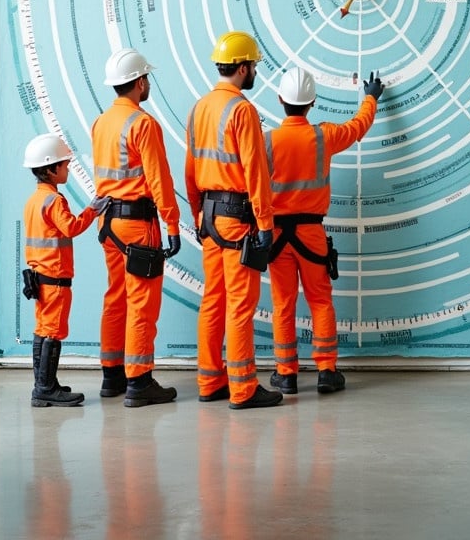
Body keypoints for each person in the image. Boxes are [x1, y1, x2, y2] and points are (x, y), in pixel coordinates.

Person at [265, 66, 384, 395]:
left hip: (275, 238)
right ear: (312, 101)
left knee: (282, 304)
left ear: (280, 99)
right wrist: (370, 98)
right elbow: (358, 128)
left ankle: (285, 374)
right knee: (320, 301)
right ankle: (327, 371)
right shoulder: (324, 136)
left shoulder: (266, 142)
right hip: (311, 236)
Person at [185, 31, 282, 410]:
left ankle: (210, 382)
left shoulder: (199, 108)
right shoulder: (242, 110)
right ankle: (242, 388)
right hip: (238, 217)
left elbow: (190, 167)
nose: (254, 71)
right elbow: (256, 171)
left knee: (213, 301)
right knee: (241, 304)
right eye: (254, 66)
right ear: (243, 68)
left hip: (209, 217)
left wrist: (197, 212)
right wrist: (265, 222)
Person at [92, 47, 181, 408]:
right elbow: (159, 179)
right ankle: (140, 381)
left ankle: (111, 375)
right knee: (141, 304)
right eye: (148, 79)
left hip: (108, 225)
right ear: (140, 81)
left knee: (115, 298)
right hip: (137, 225)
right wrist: (172, 224)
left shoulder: (101, 122)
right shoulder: (143, 124)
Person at [22, 132, 99, 407]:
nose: (67, 168)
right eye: (64, 164)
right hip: (55, 279)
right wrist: (93, 210)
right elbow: (71, 227)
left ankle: (44, 384)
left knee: (42, 329)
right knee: (53, 332)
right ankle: (46, 389)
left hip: (39, 278)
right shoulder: (54, 201)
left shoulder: (34, 200)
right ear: (51, 168)